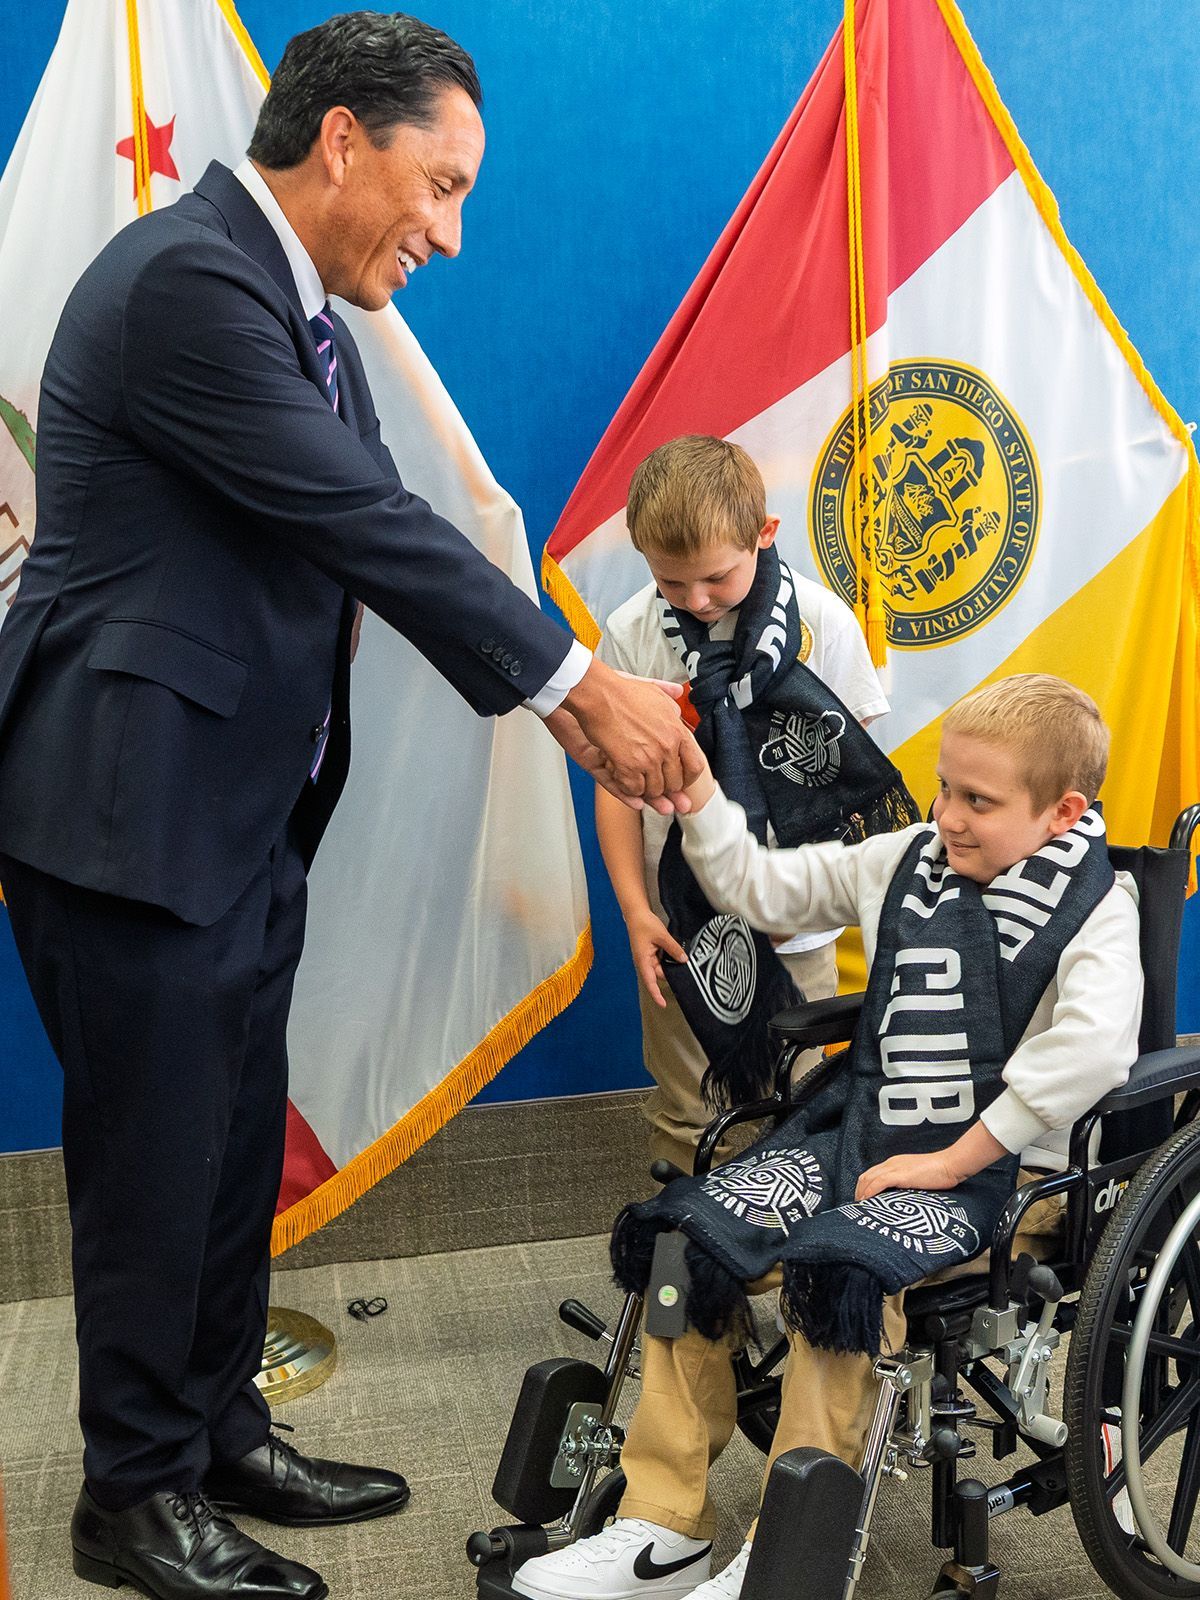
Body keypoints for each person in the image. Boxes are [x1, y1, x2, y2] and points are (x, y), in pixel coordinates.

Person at [0, 14, 701, 1600]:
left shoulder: (293, 309)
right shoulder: (191, 284)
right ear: (341, 142)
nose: (448, 232)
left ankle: (216, 1426)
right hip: (132, 821)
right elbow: (363, 520)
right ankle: (128, 1497)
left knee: (232, 1142)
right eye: (438, 185)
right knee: (153, 1164)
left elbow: (360, 532)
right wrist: (578, 690)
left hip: (234, 818)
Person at [513, 674, 1143, 1600]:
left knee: (840, 1269)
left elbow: (1093, 1049)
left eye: (979, 801)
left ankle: (788, 1555)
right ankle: (662, 1526)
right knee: (692, 1241)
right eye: (942, 789)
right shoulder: (908, 859)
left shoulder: (1098, 905)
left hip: (1010, 1177)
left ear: (1063, 812)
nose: (948, 817)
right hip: (867, 1130)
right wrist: (697, 794)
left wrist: (955, 1156)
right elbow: (764, 893)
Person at [595, 435, 892, 1174]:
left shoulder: (826, 625)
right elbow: (616, 792)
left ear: (766, 535)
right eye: (671, 583)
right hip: (681, 924)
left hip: (798, 923)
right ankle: (694, 1280)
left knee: (802, 1094)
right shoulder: (633, 635)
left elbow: (851, 785)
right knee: (686, 1104)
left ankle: (794, 1264)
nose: (694, 600)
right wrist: (636, 911)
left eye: (715, 579)